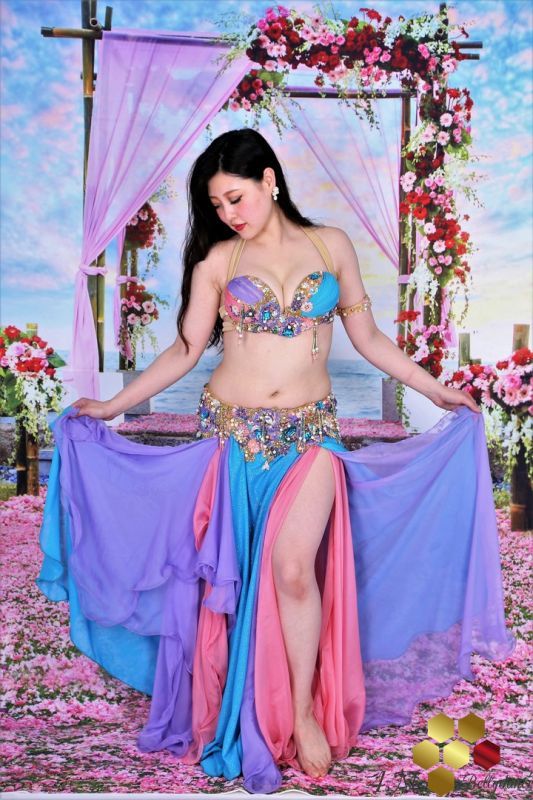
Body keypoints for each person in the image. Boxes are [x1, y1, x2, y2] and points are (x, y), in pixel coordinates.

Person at [36, 128, 515, 794]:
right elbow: (184, 351)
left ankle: (303, 712)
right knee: (229, 585)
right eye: (215, 205)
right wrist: (113, 405)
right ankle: (236, 699)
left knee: (292, 569)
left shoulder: (330, 246)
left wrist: (434, 389)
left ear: (268, 179)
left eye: (234, 197)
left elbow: (369, 337)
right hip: (229, 438)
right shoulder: (218, 262)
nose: (227, 213)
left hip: (310, 436)